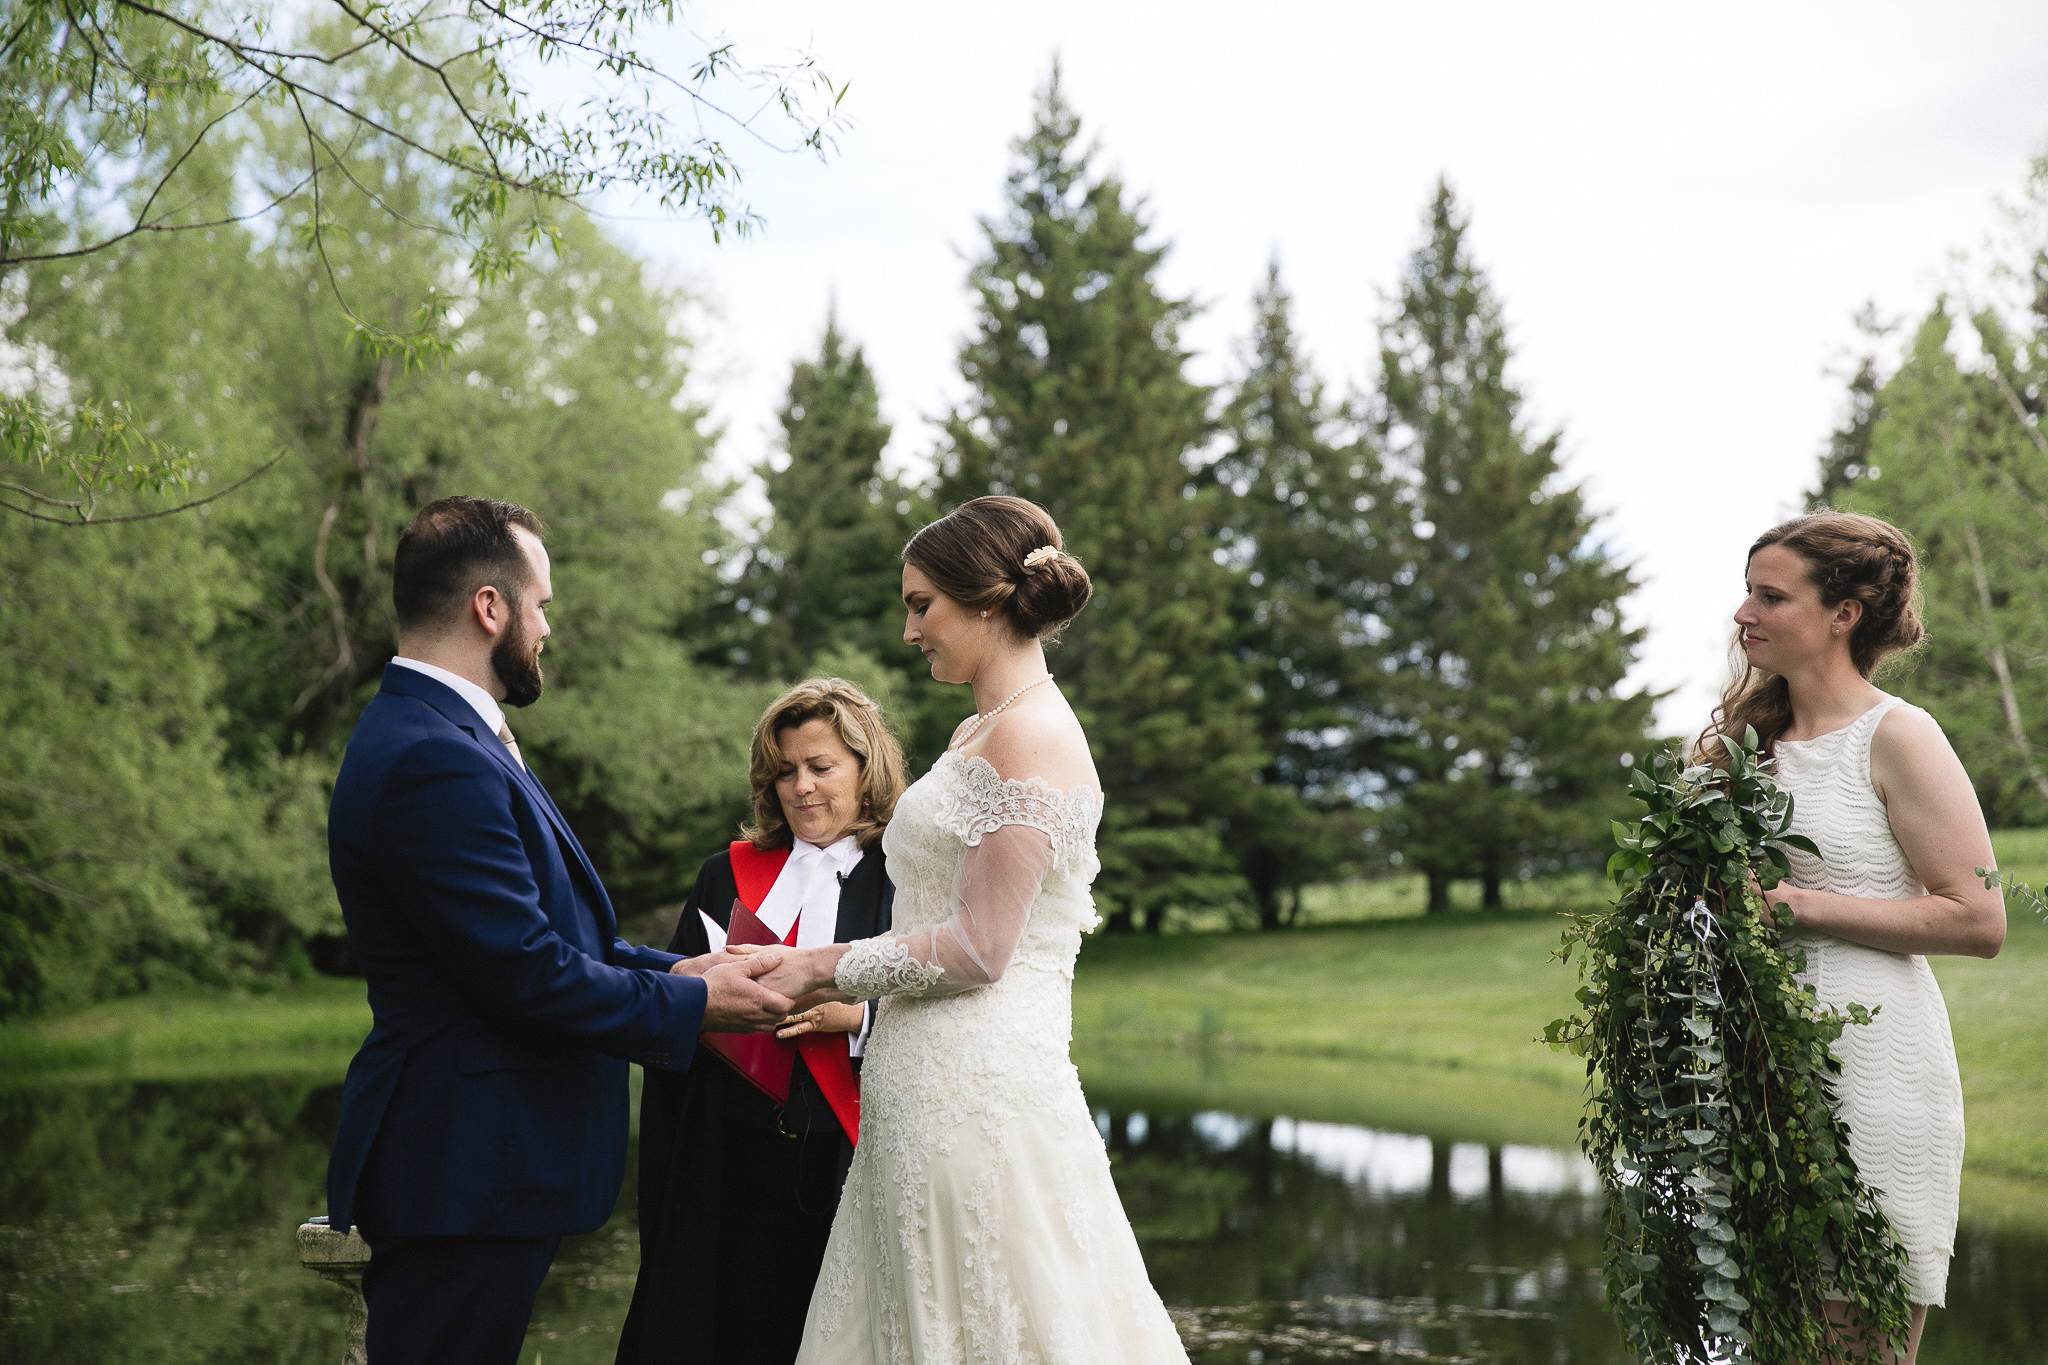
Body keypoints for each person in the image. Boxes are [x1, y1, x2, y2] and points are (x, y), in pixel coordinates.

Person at [325, 496, 795, 1365]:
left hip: (481, 1169)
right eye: (540, 602)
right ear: (490, 607)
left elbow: (548, 936)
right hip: (462, 1168)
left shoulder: (453, 735)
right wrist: (695, 1011)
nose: (547, 625)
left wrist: (689, 970)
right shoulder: (434, 756)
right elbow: (525, 973)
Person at [738, 495, 1191, 1364]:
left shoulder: (1034, 737)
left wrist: (815, 968)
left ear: (984, 598)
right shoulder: (976, 729)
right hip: (917, 1092)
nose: (911, 631)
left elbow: (982, 947)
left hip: (980, 1100)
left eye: (921, 605)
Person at [1706, 511, 2005, 1364]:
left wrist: (1805, 907)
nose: (1744, 613)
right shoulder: (1742, 745)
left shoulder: (1899, 736)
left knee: (1856, 1348)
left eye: (1771, 595)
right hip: (1758, 1084)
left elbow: (1979, 918)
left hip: (1877, 1077)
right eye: (1747, 592)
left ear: (1844, 614)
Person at [618, 678, 906, 1365]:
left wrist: (855, 1014)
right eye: (784, 771)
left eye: (821, 767)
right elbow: (675, 998)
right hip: (728, 1153)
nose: (801, 786)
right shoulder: (726, 873)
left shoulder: (902, 874)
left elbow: (941, 998)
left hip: (851, 1150)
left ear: (868, 772)